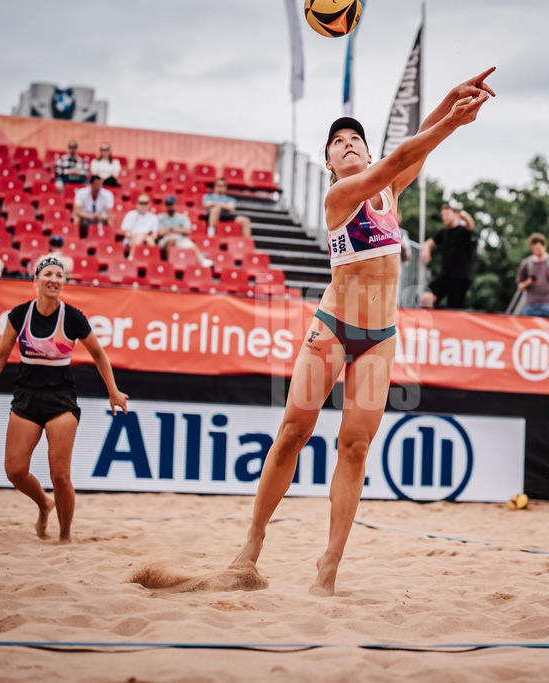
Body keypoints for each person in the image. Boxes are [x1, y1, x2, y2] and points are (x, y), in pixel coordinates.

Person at [230, 68, 494, 596]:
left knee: (354, 447)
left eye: (356, 139)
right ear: (330, 164)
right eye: (338, 142)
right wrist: (454, 123)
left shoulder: (389, 189)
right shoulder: (341, 197)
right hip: (332, 328)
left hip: (378, 338)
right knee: (293, 433)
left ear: (367, 153)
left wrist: (451, 99)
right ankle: (253, 540)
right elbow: (405, 154)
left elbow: (414, 149)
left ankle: (329, 566)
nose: (348, 144)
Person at [0, 257, 128, 544]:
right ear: (36, 280)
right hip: (26, 399)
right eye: (48, 274)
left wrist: (113, 391)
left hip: (61, 401)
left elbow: (98, 354)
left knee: (60, 476)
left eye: (59, 275)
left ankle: (65, 536)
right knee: (15, 471)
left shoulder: (73, 317)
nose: (54, 279)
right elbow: (1, 355)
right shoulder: (20, 314)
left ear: (64, 282)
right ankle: (44, 504)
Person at [420, 204, 477, 309]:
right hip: (445, 276)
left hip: (460, 277)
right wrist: (426, 249)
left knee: (454, 308)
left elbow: (470, 226)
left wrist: (464, 215)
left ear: (456, 215)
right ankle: (430, 319)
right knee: (426, 298)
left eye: (446, 214)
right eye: (442, 215)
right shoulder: (444, 232)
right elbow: (429, 242)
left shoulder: (463, 231)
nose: (444, 217)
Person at [516, 232, 549, 318]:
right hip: (530, 305)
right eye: (534, 249)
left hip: (548, 305)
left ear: (544, 246)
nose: (536, 251)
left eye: (538, 248)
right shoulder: (526, 263)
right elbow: (520, 287)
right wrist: (528, 282)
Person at [157, 195, 212, 266]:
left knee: (192, 245)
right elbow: (160, 233)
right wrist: (179, 229)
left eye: (171, 204)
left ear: (176, 205)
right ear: (165, 206)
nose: (170, 207)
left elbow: (188, 231)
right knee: (171, 239)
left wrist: (171, 229)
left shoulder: (182, 217)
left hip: (181, 239)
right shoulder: (160, 218)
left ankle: (202, 261)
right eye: (168, 205)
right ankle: (169, 264)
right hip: (165, 240)